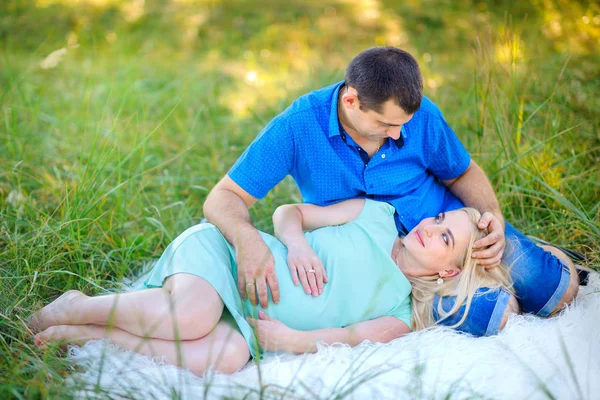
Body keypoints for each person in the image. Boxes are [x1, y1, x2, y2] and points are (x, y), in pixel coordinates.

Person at [202, 46, 579, 336]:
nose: (398, 134)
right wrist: (245, 237)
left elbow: (463, 173)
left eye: (403, 124)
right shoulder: (297, 126)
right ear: (350, 100)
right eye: (386, 124)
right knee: (496, 315)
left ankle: (537, 252)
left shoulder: (421, 116)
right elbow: (223, 197)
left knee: (555, 293)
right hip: (389, 263)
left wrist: (492, 217)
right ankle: (492, 284)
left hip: (448, 233)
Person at [29, 199, 517, 376]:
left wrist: (291, 342)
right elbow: (290, 212)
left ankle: (93, 336)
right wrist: (296, 243)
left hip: (246, 313)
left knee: (224, 358)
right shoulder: (375, 216)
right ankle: (81, 306)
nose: (429, 228)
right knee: (193, 316)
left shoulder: (400, 314)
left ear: (449, 272)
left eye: (444, 237)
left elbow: (348, 339)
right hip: (232, 256)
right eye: (437, 218)